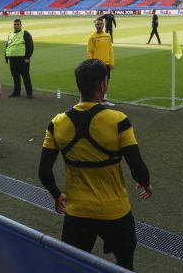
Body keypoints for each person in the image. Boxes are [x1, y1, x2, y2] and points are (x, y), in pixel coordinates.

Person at [38, 60, 153, 271]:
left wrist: (57, 194)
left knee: (73, 266)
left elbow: (44, 172)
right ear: (102, 86)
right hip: (115, 211)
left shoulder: (56, 123)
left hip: (77, 211)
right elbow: (138, 168)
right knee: (125, 263)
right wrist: (145, 183)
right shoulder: (118, 120)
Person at [87, 18, 115, 106]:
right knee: (98, 83)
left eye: (100, 24)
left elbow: (110, 50)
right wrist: (91, 63)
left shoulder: (107, 36)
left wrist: (111, 62)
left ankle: (104, 99)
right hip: (96, 64)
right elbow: (89, 51)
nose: (99, 26)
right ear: (95, 25)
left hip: (106, 63)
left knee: (106, 82)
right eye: (97, 24)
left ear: (103, 25)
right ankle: (97, 100)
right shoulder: (92, 37)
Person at [5, 18, 34, 98]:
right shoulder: (10, 34)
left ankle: (29, 93)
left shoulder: (25, 33)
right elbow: (8, 45)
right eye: (15, 24)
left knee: (25, 76)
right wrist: (6, 57)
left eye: (18, 24)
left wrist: (27, 57)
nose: (16, 26)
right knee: (15, 76)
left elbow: (30, 46)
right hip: (12, 59)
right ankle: (16, 92)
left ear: (21, 25)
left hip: (22, 59)